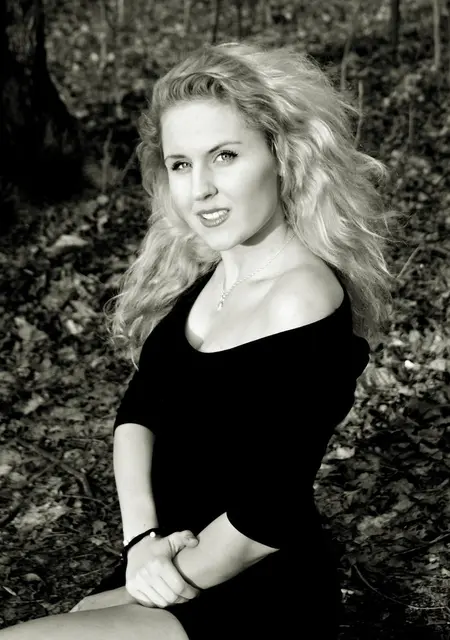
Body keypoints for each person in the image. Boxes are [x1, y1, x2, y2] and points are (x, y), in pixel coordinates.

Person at [0, 41, 397, 640]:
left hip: (249, 591)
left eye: (225, 156)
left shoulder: (302, 297)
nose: (200, 188)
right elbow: (139, 412)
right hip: (167, 561)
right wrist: (140, 543)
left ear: (283, 156)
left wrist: (144, 587)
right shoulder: (215, 274)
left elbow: (266, 516)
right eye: (181, 164)